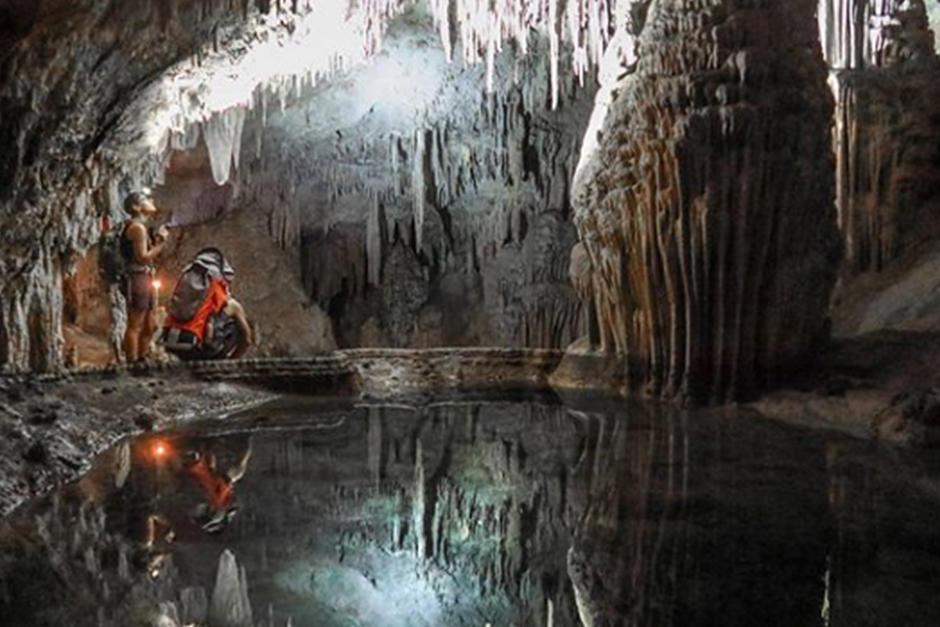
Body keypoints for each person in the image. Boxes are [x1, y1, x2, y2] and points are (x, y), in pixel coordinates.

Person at [162, 248, 253, 360]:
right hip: (197, 347)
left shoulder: (188, 292)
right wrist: (232, 360)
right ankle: (218, 358)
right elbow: (247, 340)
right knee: (237, 324)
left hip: (169, 340)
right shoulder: (229, 303)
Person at [121, 190, 170, 363]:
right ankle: (132, 362)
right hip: (137, 277)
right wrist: (161, 245)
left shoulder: (142, 227)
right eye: (145, 199)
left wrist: (156, 242)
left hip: (146, 277)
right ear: (136, 207)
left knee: (149, 324)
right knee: (136, 323)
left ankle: (142, 359)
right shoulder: (137, 228)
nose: (151, 200)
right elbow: (142, 257)